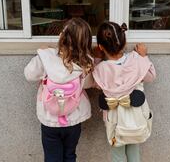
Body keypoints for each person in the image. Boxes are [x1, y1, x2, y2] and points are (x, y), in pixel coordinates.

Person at [24, 18, 95, 162]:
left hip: (50, 120)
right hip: (73, 119)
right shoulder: (86, 61)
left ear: (61, 37)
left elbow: (29, 75)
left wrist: (41, 53)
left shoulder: (45, 57)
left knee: (52, 157)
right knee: (70, 155)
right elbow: (88, 84)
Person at [92, 22, 156, 162]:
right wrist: (143, 56)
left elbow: (96, 84)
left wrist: (97, 60)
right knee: (134, 149)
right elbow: (151, 77)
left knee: (117, 153)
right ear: (124, 41)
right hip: (136, 116)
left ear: (100, 47)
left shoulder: (100, 69)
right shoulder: (136, 60)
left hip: (114, 119)